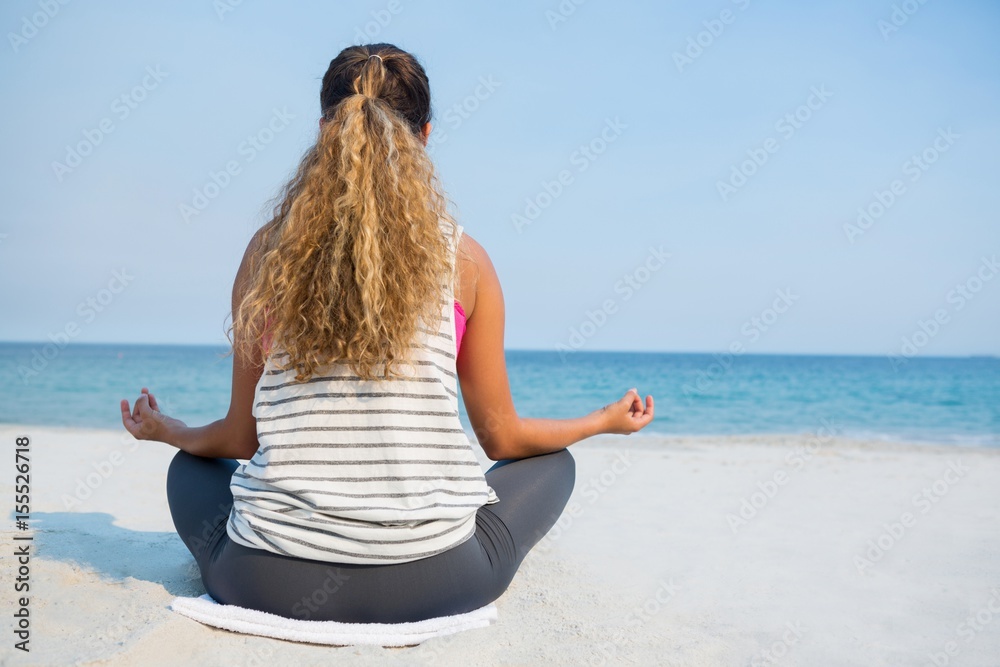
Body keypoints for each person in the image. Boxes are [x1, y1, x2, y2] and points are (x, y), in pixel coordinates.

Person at [120, 43, 654, 624]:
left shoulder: (266, 255)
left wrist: (167, 431)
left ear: (325, 128)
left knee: (190, 468)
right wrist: (601, 422)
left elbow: (240, 438)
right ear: (424, 135)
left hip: (265, 581)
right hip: (440, 583)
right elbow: (502, 441)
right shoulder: (465, 262)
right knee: (556, 464)